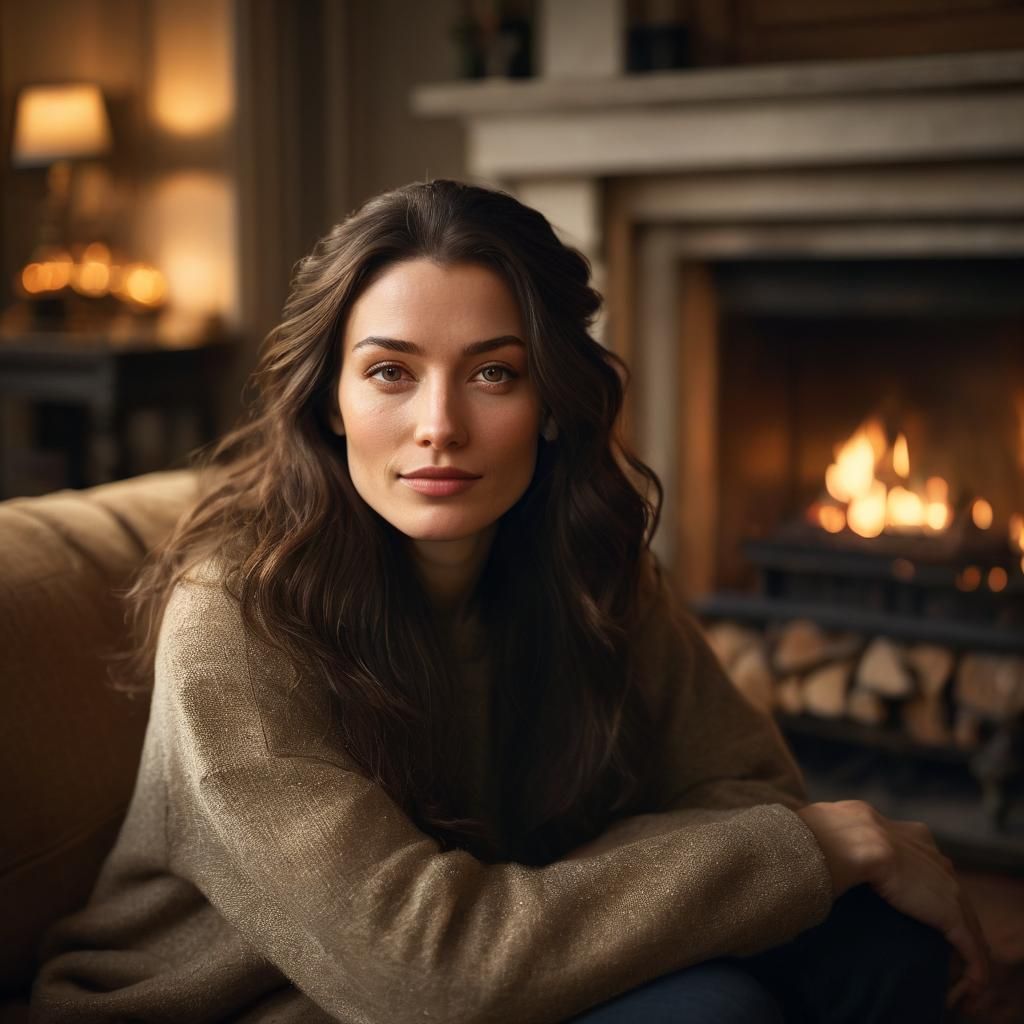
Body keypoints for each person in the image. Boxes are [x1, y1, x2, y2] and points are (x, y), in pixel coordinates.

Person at [31, 179, 989, 1023]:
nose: (439, 425)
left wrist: (534, 903)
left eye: (493, 373)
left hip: (506, 960)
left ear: (554, 401)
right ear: (331, 401)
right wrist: (796, 849)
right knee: (713, 1005)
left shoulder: (584, 564)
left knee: (880, 943)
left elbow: (745, 793)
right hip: (268, 1004)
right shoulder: (237, 620)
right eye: (389, 373)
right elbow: (423, 977)